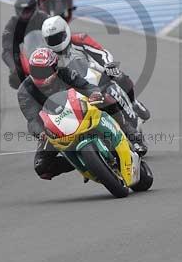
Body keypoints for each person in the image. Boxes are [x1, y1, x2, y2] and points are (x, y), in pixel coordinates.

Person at [41, 15, 152, 156]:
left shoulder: (79, 40)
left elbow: (101, 53)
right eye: (52, 39)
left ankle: (134, 112)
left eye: (58, 37)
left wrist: (108, 64)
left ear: (66, 31)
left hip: (95, 79)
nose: (56, 41)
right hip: (72, 91)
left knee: (119, 76)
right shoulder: (49, 55)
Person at [17, 47, 101, 179]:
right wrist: (41, 133)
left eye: (44, 71)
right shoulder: (24, 91)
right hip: (53, 128)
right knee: (42, 167)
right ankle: (81, 163)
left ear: (54, 68)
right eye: (36, 71)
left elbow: (85, 86)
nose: (40, 75)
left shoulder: (65, 73)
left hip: (80, 111)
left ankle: (129, 135)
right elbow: (32, 119)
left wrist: (94, 93)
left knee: (107, 101)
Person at [2, 0, 49, 88]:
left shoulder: (45, 18)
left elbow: (58, 33)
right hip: (26, 55)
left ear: (34, 9)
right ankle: (26, 92)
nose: (25, 13)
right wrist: (14, 68)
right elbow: (7, 49)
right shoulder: (12, 24)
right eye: (22, 11)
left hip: (46, 52)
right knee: (15, 78)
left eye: (28, 10)